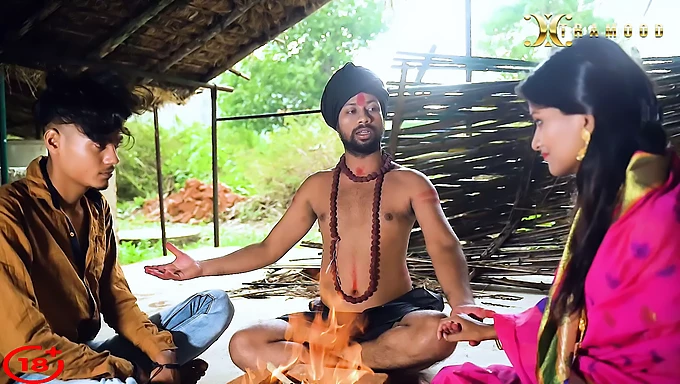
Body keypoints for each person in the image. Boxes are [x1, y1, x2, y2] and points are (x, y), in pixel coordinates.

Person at [145, 62, 474, 373]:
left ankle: (329, 367)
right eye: (352, 111)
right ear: (337, 121)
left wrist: (461, 305)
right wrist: (202, 268)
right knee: (245, 344)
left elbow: (444, 246)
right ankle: (363, 366)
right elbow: (268, 249)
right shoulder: (317, 187)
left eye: (372, 108)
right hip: (328, 321)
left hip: (393, 315)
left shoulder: (411, 183)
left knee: (436, 334)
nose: (364, 118)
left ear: (383, 116)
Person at [432, 37, 680, 384]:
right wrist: (496, 329)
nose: (536, 142)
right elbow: (578, 312)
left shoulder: (656, 222)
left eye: (540, 121)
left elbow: (636, 350)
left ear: (584, 120)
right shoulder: (618, 197)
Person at [0, 71, 234, 384]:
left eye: (116, 143)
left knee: (212, 304)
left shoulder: (97, 209)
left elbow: (117, 298)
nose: (113, 158)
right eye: (98, 144)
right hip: (35, 367)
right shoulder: (8, 212)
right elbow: (27, 346)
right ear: (53, 141)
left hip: (86, 351)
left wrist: (164, 357)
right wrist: (130, 369)